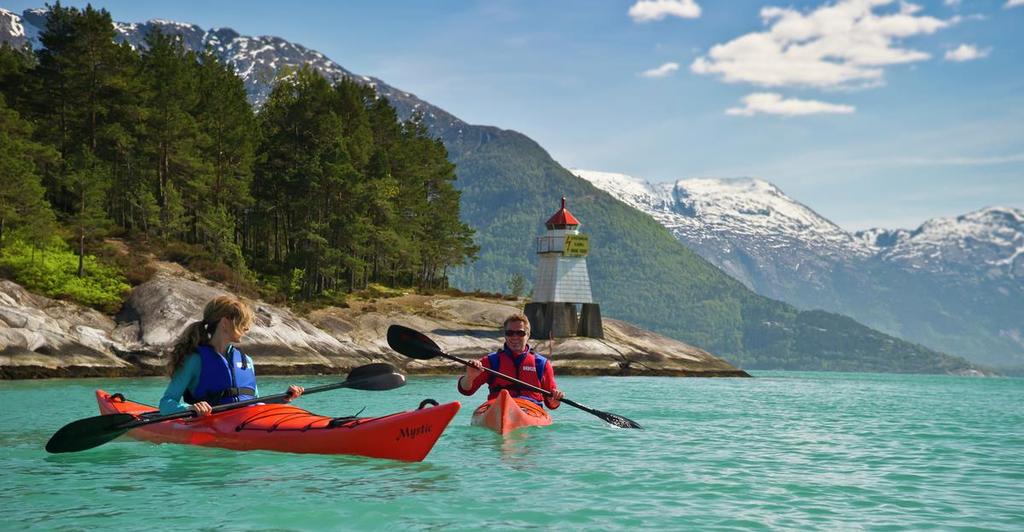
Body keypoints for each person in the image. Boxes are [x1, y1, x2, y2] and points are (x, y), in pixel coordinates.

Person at [160, 295, 303, 416]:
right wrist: (190, 408)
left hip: (246, 422)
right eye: (242, 322)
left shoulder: (246, 361)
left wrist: (282, 398)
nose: (247, 328)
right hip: (211, 426)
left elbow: (254, 401)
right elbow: (166, 404)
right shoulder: (195, 360)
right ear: (225, 323)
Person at [457, 313, 565, 408]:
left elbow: (551, 404)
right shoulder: (491, 361)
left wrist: (555, 399)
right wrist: (469, 377)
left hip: (530, 408)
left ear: (528, 335)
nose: (514, 337)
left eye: (520, 333)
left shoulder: (542, 364)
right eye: (510, 333)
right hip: (497, 407)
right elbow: (466, 390)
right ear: (505, 335)